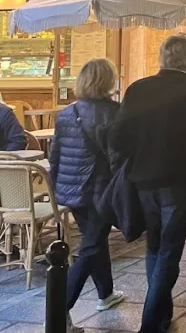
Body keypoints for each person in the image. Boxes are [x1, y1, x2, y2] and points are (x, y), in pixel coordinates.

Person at [110, 36, 186, 333]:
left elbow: (117, 138)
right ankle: (151, 324)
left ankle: (163, 313)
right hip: (177, 181)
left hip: (142, 180)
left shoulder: (138, 89)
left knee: (154, 244)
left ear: (161, 58)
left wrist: (128, 161)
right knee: (170, 249)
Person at [50, 59, 125, 328]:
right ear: (108, 81)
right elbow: (119, 158)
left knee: (95, 241)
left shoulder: (66, 114)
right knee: (91, 246)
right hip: (101, 191)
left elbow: (54, 155)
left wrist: (56, 190)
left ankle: (105, 294)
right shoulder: (115, 112)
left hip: (72, 191)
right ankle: (59, 311)